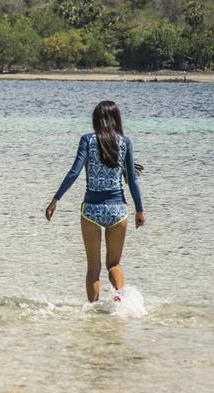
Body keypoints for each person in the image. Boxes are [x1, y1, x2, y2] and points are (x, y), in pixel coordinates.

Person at [45, 100, 145, 303]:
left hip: (91, 210)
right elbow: (132, 180)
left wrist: (55, 199)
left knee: (93, 268)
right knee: (114, 264)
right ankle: (119, 295)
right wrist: (140, 210)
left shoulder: (87, 140)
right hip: (118, 210)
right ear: (116, 119)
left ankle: (92, 311)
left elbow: (74, 172)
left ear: (95, 119)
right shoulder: (125, 143)